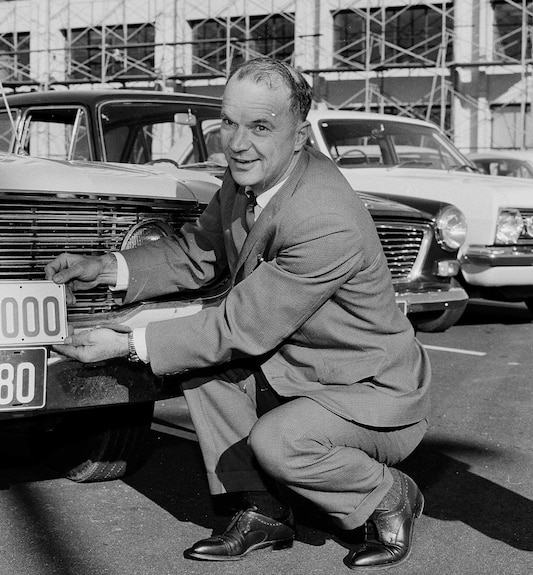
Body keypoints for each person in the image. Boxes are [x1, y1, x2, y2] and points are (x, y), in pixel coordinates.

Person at [44, 57, 430, 571]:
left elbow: (240, 325)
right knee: (199, 363)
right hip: (297, 367)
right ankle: (262, 510)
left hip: (368, 393)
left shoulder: (324, 218)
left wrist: (125, 343)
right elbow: (195, 253)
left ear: (299, 135)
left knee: (279, 443)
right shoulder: (248, 176)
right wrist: (106, 267)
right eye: (229, 122)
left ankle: (388, 496)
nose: (238, 142)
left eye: (261, 127)